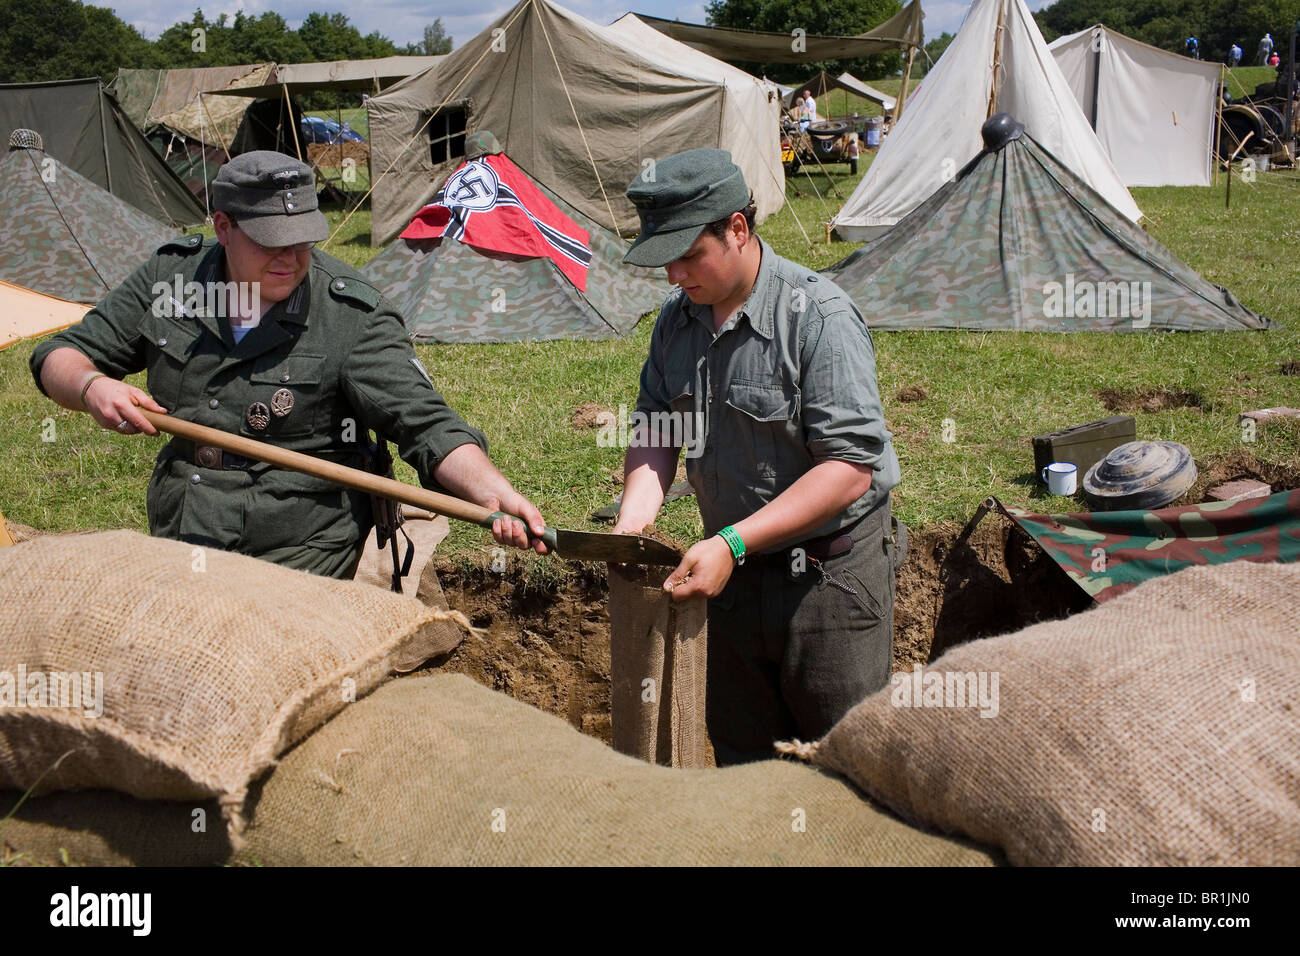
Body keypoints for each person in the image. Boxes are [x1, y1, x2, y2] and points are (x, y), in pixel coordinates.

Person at [31, 150, 548, 578]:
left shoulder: (350, 314)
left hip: (300, 548)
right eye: (270, 242)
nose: (289, 258)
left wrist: (495, 493)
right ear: (223, 227)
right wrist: (91, 386)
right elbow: (58, 355)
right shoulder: (171, 280)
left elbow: (427, 424)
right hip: (183, 530)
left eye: (302, 240)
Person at [614, 149, 902, 765]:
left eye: (690, 256)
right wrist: (633, 524)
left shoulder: (818, 317)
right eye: (666, 261)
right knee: (747, 758)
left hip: (831, 581)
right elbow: (659, 428)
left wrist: (733, 543)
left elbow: (849, 469)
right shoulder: (675, 323)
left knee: (845, 761)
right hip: (735, 581)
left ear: (738, 230)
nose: (674, 277)